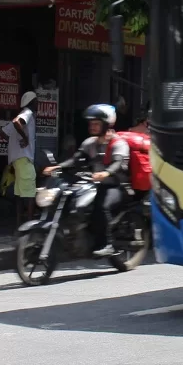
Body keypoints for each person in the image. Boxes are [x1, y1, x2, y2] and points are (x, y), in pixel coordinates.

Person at [43, 103, 129, 258]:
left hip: (116, 186)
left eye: (97, 123)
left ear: (106, 124)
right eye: (91, 123)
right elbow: (75, 160)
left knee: (102, 207)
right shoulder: (89, 143)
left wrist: (106, 173)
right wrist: (57, 167)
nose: (93, 126)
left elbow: (118, 163)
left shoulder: (118, 143)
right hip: (95, 184)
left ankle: (107, 244)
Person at [2, 90, 38, 214]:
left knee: (19, 195)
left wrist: (15, 143)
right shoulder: (27, 113)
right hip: (25, 160)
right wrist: (24, 138)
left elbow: (2, 133)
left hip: (17, 161)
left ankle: (19, 227)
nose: (37, 104)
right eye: (36, 101)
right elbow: (16, 122)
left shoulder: (23, 113)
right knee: (30, 196)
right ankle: (29, 228)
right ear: (32, 102)